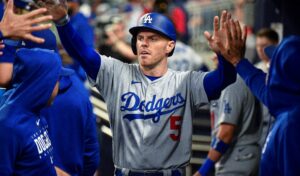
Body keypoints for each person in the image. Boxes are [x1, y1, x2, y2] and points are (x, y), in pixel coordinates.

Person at [36, 1, 243, 174]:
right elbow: (83, 53)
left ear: (170, 46)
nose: (144, 43)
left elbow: (223, 79)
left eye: (153, 39)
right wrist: (63, 22)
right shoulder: (117, 74)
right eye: (141, 38)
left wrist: (226, 59)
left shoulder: (186, 81)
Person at [205, 0, 300, 175]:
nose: (268, 66)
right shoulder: (284, 103)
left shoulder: (292, 124)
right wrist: (237, 61)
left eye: (274, 63)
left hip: (238, 162)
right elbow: (260, 84)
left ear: (285, 76)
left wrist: (203, 171)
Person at [193, 56, 262, 176]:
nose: (214, 57)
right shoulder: (233, 79)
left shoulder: (232, 83)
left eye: (218, 52)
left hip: (238, 158)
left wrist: (202, 172)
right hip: (241, 155)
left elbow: (226, 133)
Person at [0, 46, 61, 175]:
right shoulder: (8, 127)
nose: (59, 87)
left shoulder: (35, 111)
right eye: (56, 80)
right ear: (43, 83)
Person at [254, 28, 279, 147]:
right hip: (259, 127)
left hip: (279, 124)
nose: (260, 49)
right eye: (257, 45)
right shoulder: (254, 70)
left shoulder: (283, 69)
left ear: (275, 45)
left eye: (264, 45)